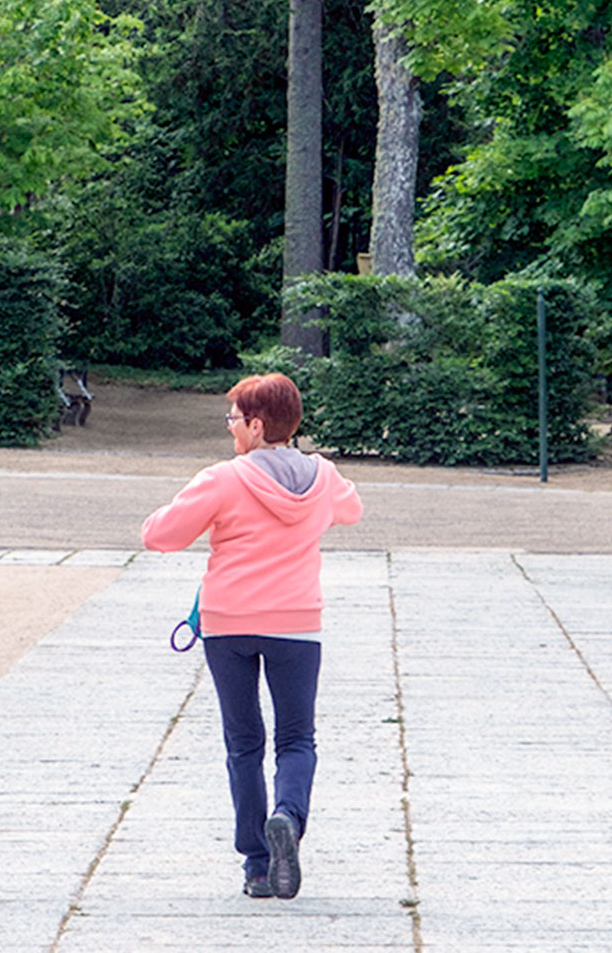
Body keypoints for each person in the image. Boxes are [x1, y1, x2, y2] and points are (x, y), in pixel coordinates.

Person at [141, 373, 363, 901]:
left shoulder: (222, 479)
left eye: (234, 418)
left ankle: (258, 864)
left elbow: (160, 535)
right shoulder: (322, 476)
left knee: (244, 743)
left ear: (257, 425)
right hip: (297, 623)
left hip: (229, 623)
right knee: (297, 739)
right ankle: (287, 815)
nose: (230, 427)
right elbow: (352, 511)